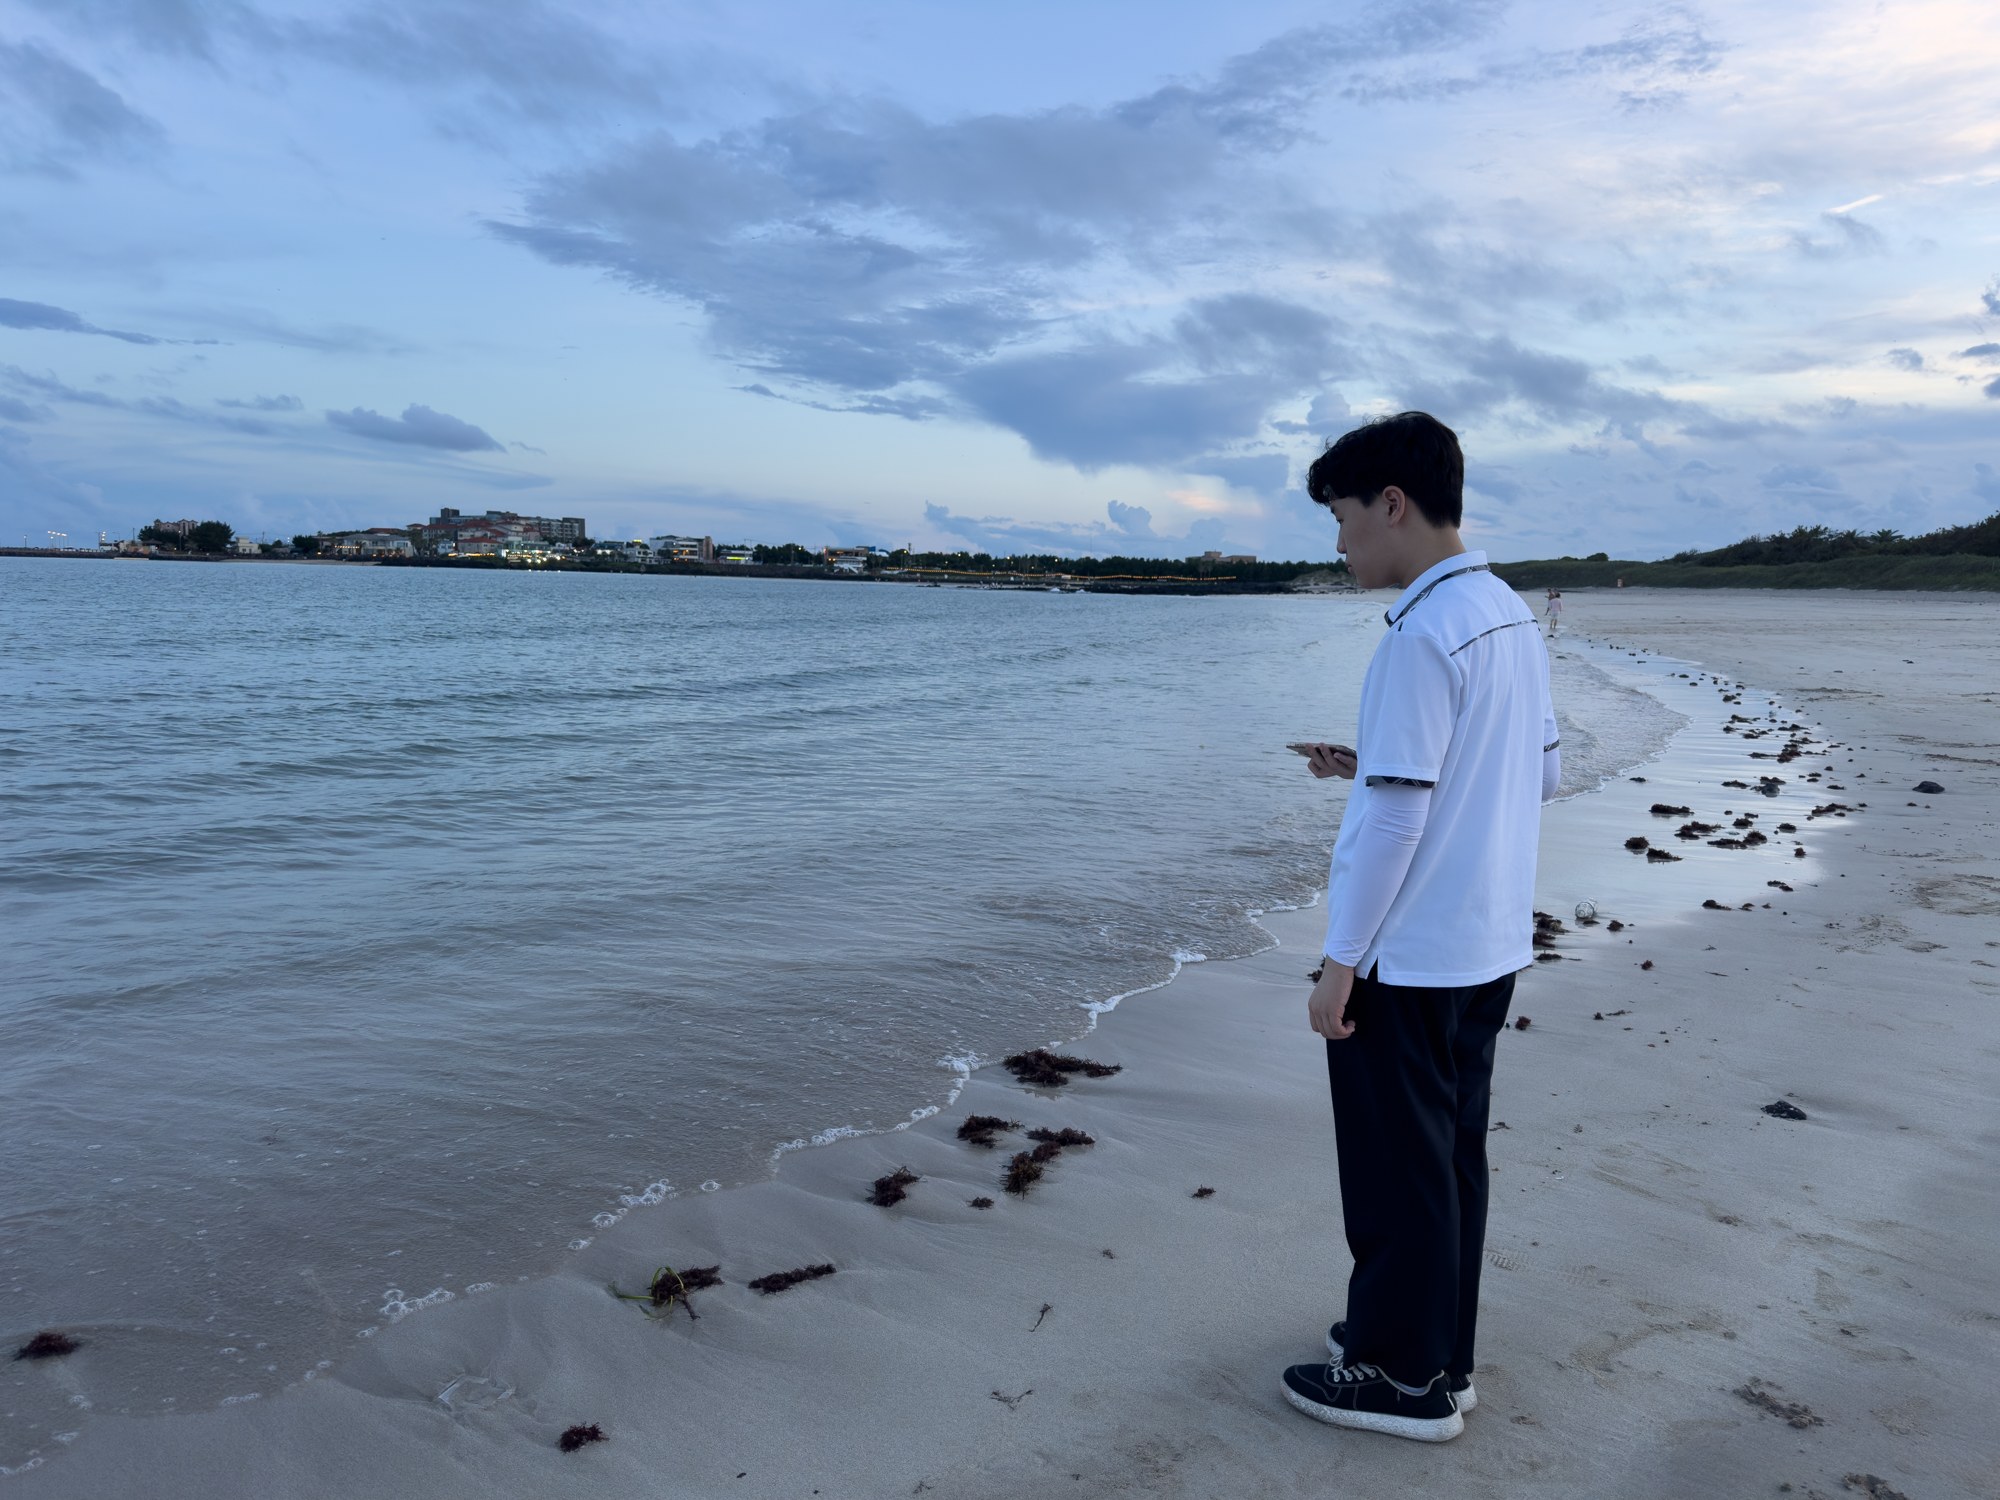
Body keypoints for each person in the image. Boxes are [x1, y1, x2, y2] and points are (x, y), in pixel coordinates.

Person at [1285, 412, 1559, 1444]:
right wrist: (1374, 769)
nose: (1339, 542)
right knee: (1448, 1159)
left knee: (1395, 1170)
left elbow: (1400, 821)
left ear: (1391, 504)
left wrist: (1339, 962)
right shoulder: (1506, 613)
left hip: (1406, 953)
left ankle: (1402, 1380)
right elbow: (1535, 772)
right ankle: (1440, 1352)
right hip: (1486, 942)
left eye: (1341, 517)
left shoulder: (1420, 631)